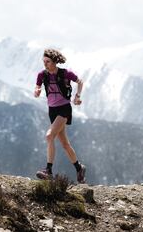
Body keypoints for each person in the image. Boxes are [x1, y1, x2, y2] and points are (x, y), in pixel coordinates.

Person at [34, 48, 86, 184]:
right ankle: (79, 167)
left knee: (49, 136)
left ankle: (48, 170)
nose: (45, 64)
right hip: (52, 111)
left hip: (64, 109)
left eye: (48, 61)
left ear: (55, 61)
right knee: (64, 144)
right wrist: (37, 91)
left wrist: (77, 96)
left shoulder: (65, 73)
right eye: (44, 61)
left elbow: (80, 82)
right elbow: (37, 87)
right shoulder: (42, 75)